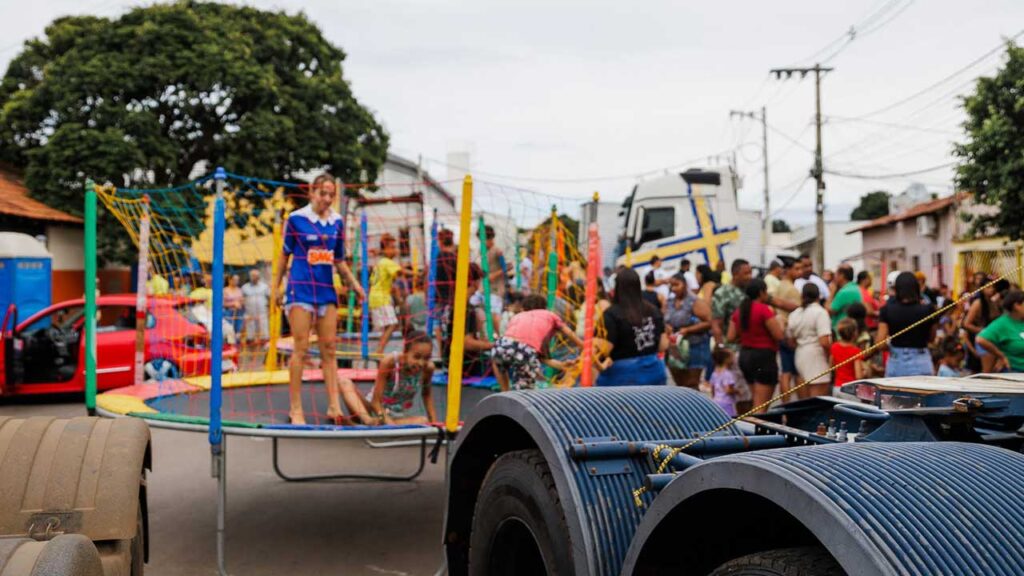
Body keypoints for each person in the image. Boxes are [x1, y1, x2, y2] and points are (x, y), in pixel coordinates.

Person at [271, 173, 368, 426]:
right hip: (300, 290)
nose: (326, 199)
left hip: (326, 291)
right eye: (322, 193)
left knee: (330, 350)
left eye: (331, 195)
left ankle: (334, 407)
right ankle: (296, 409)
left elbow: (339, 260)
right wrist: (276, 287)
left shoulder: (336, 222)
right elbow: (284, 256)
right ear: (312, 193)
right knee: (300, 349)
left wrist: (355, 286)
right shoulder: (296, 220)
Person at [492, 294, 586, 391]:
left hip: (501, 346)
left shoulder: (518, 316)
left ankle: (505, 391)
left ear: (524, 308)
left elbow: (535, 355)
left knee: (499, 364)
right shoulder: (550, 315)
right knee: (523, 389)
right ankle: (521, 395)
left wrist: (561, 365)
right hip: (525, 351)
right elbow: (569, 332)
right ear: (544, 307)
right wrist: (584, 346)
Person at [597, 268, 669, 386]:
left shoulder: (611, 314)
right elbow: (663, 345)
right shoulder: (653, 310)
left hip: (622, 378)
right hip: (654, 372)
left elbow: (604, 350)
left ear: (617, 287)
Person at [727, 278, 784, 411]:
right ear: (761, 292)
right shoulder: (764, 310)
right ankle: (754, 430)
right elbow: (778, 335)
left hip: (745, 355)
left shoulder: (739, 311)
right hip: (763, 357)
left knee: (756, 400)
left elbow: (730, 336)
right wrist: (781, 323)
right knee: (761, 406)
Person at [363, 330, 436, 425]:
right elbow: (375, 402)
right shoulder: (390, 362)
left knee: (423, 421)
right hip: (375, 411)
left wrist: (435, 423)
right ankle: (367, 420)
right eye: (416, 357)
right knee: (344, 383)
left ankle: (385, 424)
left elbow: (426, 395)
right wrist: (388, 422)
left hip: (397, 416)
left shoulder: (428, 368)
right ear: (405, 352)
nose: (421, 363)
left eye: (427, 358)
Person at [876, 272, 937, 377]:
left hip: (896, 360)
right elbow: (932, 338)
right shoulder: (928, 309)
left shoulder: (886, 310)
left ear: (897, 289)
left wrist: (891, 348)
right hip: (921, 359)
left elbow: (880, 343)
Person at [443, 263, 494, 377]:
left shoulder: (452, 302)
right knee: (505, 362)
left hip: (449, 359)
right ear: (474, 282)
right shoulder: (465, 308)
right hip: (465, 364)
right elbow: (466, 343)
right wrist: (494, 345)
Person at [665, 272, 712, 386]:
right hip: (676, 347)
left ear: (685, 285)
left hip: (695, 346)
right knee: (680, 384)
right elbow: (665, 318)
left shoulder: (694, 301)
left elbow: (709, 322)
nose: (674, 288)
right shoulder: (670, 302)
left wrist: (688, 330)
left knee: (691, 383)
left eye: (677, 285)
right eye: (671, 285)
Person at [786, 283, 832, 398]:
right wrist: (829, 357)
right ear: (818, 296)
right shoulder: (820, 312)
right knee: (817, 402)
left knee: (803, 401)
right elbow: (824, 342)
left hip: (800, 355)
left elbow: (790, 341)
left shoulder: (794, 314)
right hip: (817, 357)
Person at [370, 234, 407, 357]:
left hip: (376, 297)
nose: (396, 250)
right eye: (393, 247)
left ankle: (379, 350)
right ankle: (379, 351)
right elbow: (401, 273)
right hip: (381, 298)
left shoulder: (380, 262)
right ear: (386, 249)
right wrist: (418, 273)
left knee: (387, 326)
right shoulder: (387, 262)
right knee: (392, 324)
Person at [963, 277, 1007, 373]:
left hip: (994, 340)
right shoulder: (978, 303)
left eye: (993, 287)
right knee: (987, 371)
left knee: (995, 371)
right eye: (988, 287)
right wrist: (983, 331)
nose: (992, 289)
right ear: (982, 289)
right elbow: (966, 324)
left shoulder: (993, 302)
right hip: (985, 340)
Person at [977, 289, 1024, 373]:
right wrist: (1001, 356)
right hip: (1015, 372)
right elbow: (981, 339)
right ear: (1017, 306)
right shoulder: (1002, 323)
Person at [482, 225, 508, 332]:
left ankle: (499, 337)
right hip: (484, 288)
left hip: (496, 288)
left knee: (494, 313)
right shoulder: (483, 251)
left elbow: (507, 268)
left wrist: (495, 275)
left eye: (484, 240)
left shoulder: (497, 251)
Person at [831, 318, 864, 392]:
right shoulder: (855, 351)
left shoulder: (834, 347)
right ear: (855, 333)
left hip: (837, 387)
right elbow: (858, 376)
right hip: (850, 389)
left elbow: (831, 365)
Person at [827, 265, 862, 330]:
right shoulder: (856, 288)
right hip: (853, 329)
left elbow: (829, 311)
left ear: (841, 276)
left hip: (842, 331)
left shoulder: (844, 292)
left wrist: (831, 293)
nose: (834, 278)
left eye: (836, 274)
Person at [242, 269, 270, 343]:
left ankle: (264, 350)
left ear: (259, 277)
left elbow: (269, 298)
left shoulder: (265, 287)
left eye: (256, 276)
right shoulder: (245, 287)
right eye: (252, 276)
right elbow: (242, 299)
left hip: (262, 313)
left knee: (264, 334)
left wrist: (269, 310)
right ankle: (251, 350)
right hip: (249, 313)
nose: (254, 277)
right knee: (250, 335)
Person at [708, 347, 737, 417]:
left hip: (716, 401)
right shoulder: (728, 374)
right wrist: (737, 391)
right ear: (727, 360)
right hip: (726, 403)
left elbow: (712, 389)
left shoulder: (714, 373)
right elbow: (728, 390)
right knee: (729, 420)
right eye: (732, 356)